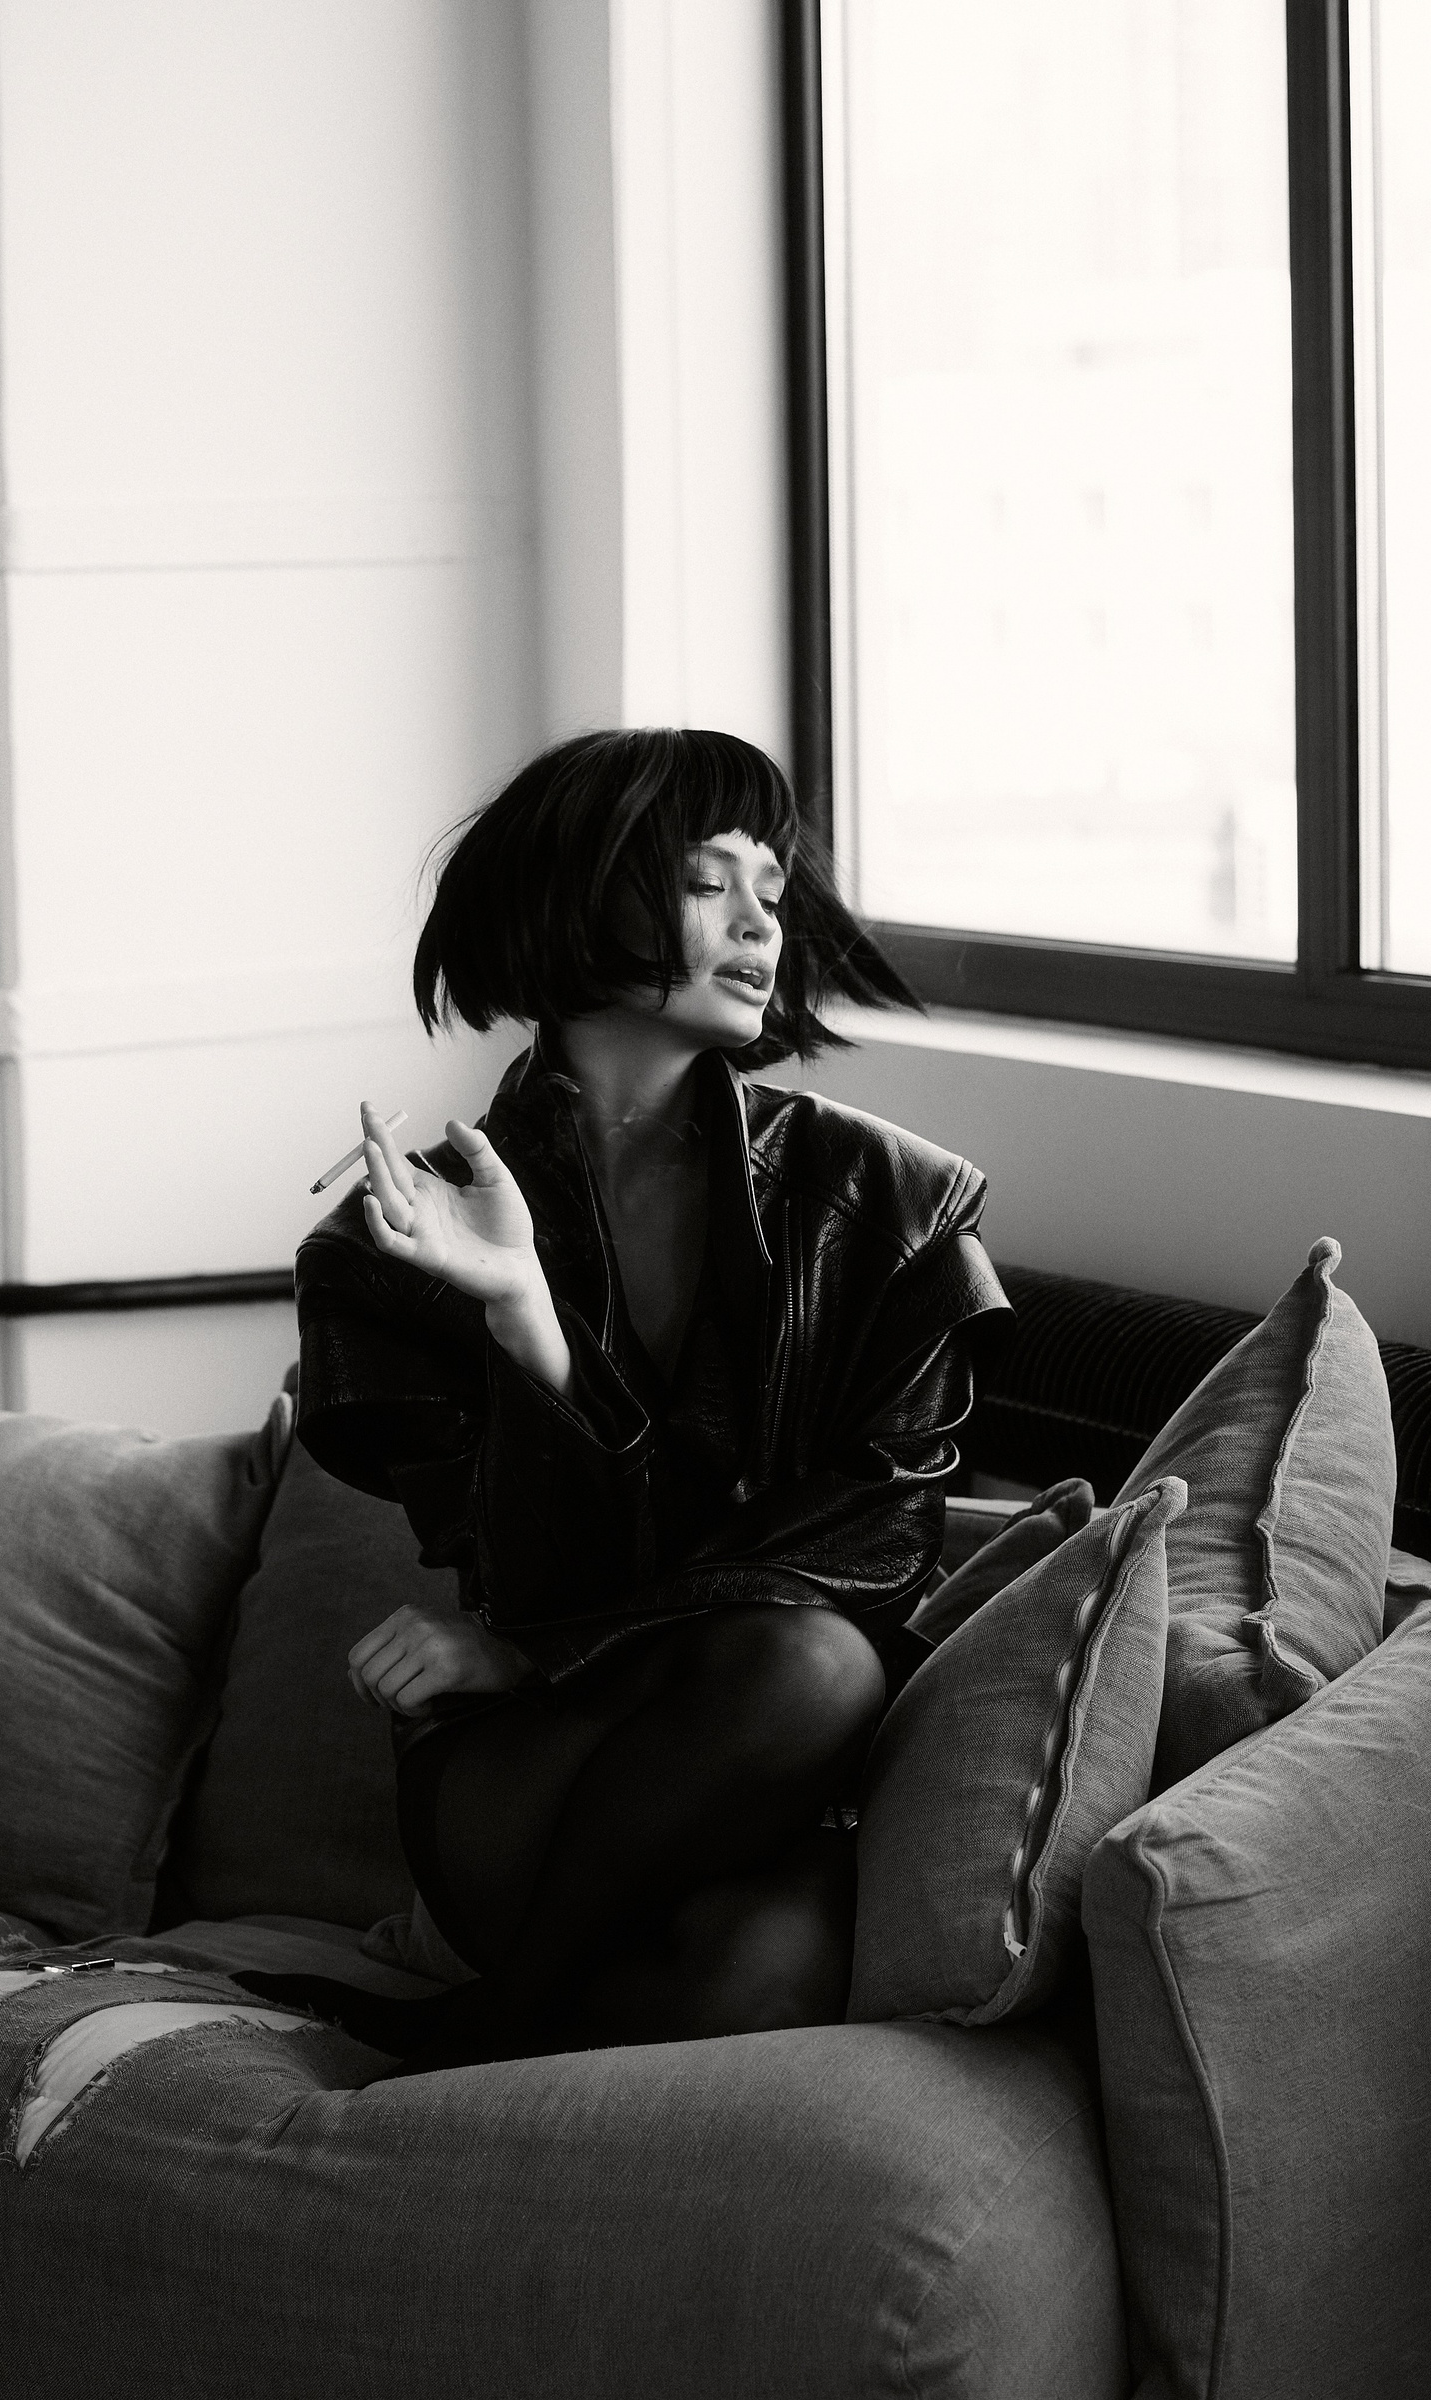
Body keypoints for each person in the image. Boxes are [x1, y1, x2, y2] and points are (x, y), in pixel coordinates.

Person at [237, 727, 1010, 2073]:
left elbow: (874, 1549)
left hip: (772, 1772)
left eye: (772, 888)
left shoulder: (890, 1206)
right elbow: (527, 1566)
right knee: (809, 1666)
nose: (762, 922)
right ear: (581, 898)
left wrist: (551, 1650)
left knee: (778, 1927)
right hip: (533, 1781)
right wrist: (523, 1313)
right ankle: (511, 2012)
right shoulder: (398, 1252)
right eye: (710, 882)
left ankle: (494, 2026)